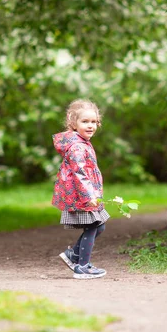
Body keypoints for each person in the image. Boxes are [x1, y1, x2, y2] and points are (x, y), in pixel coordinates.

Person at [52, 99, 110, 279]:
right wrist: (89, 195)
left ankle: (73, 255)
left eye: (93, 122)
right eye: (85, 122)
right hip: (82, 196)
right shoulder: (77, 146)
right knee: (94, 225)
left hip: (86, 194)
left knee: (99, 225)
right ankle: (82, 266)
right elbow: (80, 173)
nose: (90, 126)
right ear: (73, 123)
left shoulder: (82, 142)